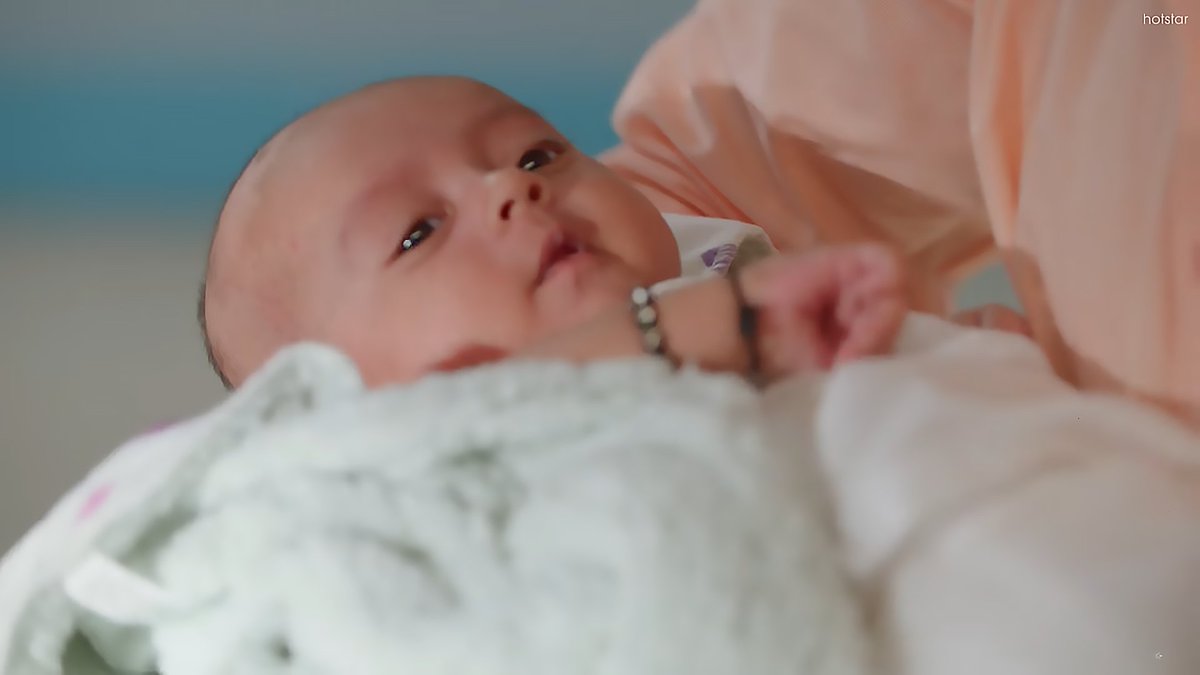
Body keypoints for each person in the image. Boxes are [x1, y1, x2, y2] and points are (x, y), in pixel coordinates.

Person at [199, 76, 907, 390]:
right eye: (417, 232)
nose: (512, 186)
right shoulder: (390, 478)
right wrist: (706, 326)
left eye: (535, 155)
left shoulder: (724, 250)